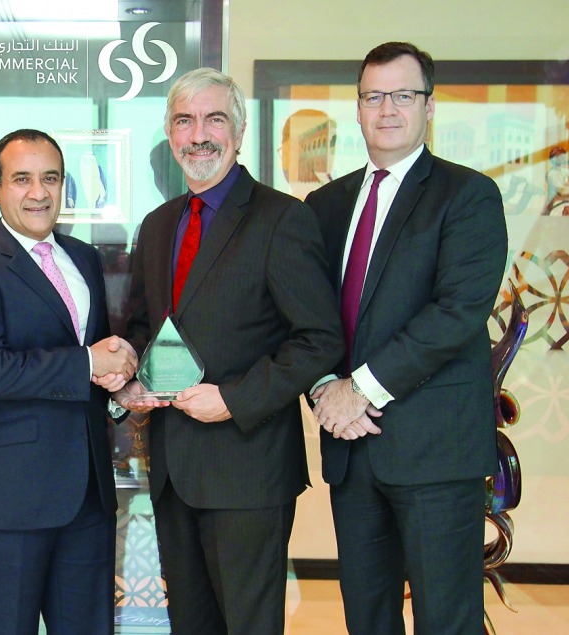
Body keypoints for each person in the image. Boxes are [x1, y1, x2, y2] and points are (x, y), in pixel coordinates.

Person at [114, 68, 344, 634]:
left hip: (248, 469)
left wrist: (234, 400)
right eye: (184, 121)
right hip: (171, 467)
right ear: (171, 135)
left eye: (214, 119)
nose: (199, 135)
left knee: (248, 625)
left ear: (239, 132)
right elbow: (148, 324)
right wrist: (132, 379)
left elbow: (319, 338)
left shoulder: (282, 218)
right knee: (191, 624)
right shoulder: (160, 224)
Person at [306, 42, 507, 634]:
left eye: (402, 95)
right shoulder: (325, 205)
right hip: (352, 446)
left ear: (429, 106)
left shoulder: (467, 196)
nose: (387, 108)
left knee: (446, 618)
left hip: (435, 450)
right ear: (358, 107)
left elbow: (457, 312)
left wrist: (360, 389)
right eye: (373, 96)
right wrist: (323, 389)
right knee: (367, 618)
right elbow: (308, 317)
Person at [0, 129, 137, 634]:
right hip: (8, 496)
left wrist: (117, 381)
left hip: (87, 493)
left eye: (50, 178)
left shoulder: (84, 258)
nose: (38, 192)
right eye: (22, 179)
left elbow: (95, 358)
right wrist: (88, 365)